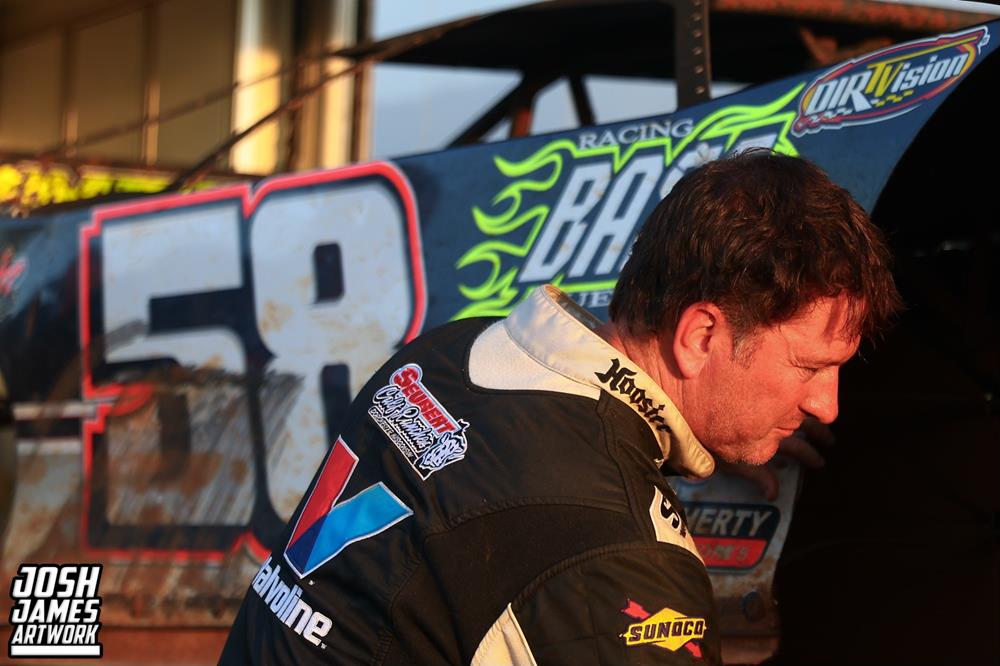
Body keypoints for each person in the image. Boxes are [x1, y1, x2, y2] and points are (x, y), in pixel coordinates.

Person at [219, 150, 900, 665]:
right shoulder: (620, 558)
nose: (828, 405)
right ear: (700, 337)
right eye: (810, 368)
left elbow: (506, 499)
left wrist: (706, 435)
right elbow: (559, 528)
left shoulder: (449, 353)